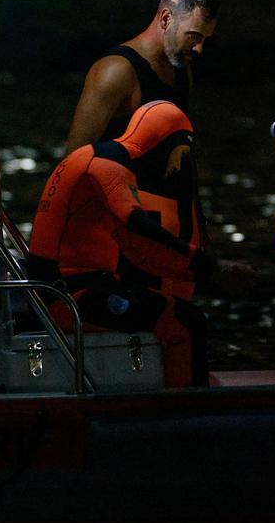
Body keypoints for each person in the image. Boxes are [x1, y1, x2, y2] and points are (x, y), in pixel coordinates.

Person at [28, 101, 250, 387]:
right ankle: (189, 413)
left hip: (67, 289)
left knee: (163, 305)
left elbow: (140, 251)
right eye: (179, 155)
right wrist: (214, 268)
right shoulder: (107, 167)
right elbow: (141, 234)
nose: (177, 168)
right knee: (184, 320)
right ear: (163, 143)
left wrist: (199, 271)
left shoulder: (93, 158)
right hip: (67, 298)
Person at [65, 0, 219, 156]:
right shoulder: (117, 71)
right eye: (194, 36)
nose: (199, 49)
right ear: (166, 18)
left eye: (205, 39)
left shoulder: (181, 66)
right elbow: (73, 160)